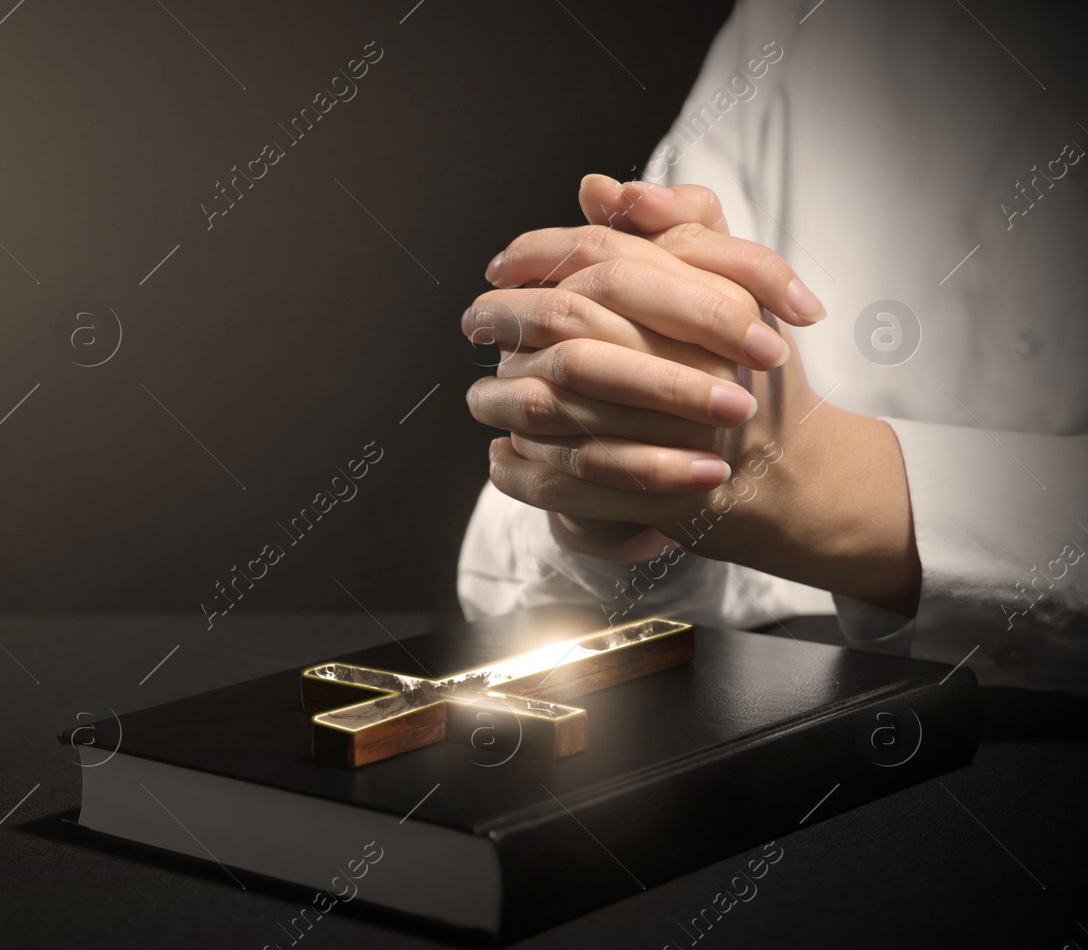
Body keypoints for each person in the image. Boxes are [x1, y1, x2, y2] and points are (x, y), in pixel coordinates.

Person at [456, 0, 1088, 689]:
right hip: (761, 734)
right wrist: (608, 499)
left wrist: (837, 487)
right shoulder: (803, 21)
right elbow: (516, 582)